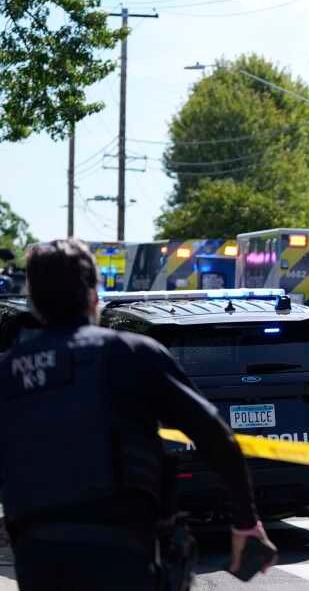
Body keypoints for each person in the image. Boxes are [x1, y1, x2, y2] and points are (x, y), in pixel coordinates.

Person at [0, 239, 275, 590]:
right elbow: (216, 437)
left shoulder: (8, 374)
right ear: (93, 295)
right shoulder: (129, 354)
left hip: (38, 559)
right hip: (122, 554)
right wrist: (246, 523)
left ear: (34, 301)